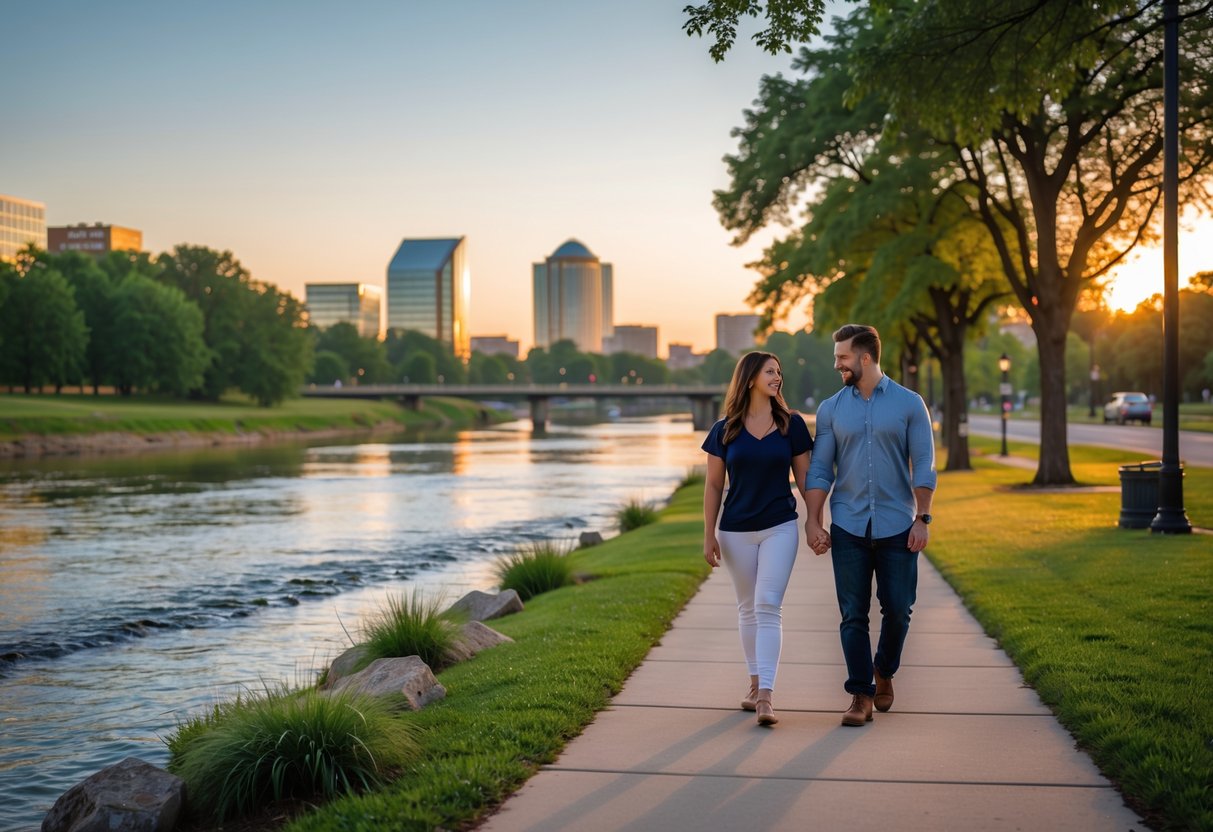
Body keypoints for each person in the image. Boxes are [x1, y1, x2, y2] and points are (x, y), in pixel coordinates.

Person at [805, 324, 937, 727]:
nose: (837, 365)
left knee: (899, 610)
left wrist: (922, 518)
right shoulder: (830, 409)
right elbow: (820, 470)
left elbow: (924, 465)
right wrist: (813, 520)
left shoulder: (910, 404)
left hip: (898, 525)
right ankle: (860, 694)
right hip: (848, 524)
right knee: (852, 614)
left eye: (842, 357)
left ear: (865, 357)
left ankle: (885, 669)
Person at [703, 351, 814, 726]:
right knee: (747, 607)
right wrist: (708, 534)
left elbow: (805, 479)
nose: (778, 377)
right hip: (734, 531)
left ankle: (766, 694)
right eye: (770, 371)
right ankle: (753, 685)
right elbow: (714, 485)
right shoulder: (724, 429)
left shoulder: (791, 424)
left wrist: (815, 521)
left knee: (768, 604)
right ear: (750, 378)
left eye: (780, 372)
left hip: (779, 526)